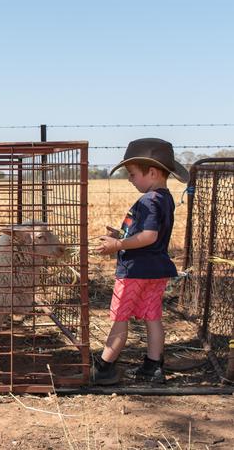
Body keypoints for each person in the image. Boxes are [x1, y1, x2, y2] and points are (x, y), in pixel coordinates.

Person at [91, 138, 189, 385]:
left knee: (120, 318)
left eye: (133, 174)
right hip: (156, 271)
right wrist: (121, 234)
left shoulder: (148, 201)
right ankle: (153, 366)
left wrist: (118, 245)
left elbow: (149, 236)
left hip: (135, 272)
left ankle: (104, 367)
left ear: (153, 172)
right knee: (152, 316)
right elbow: (150, 235)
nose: (130, 179)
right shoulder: (164, 198)